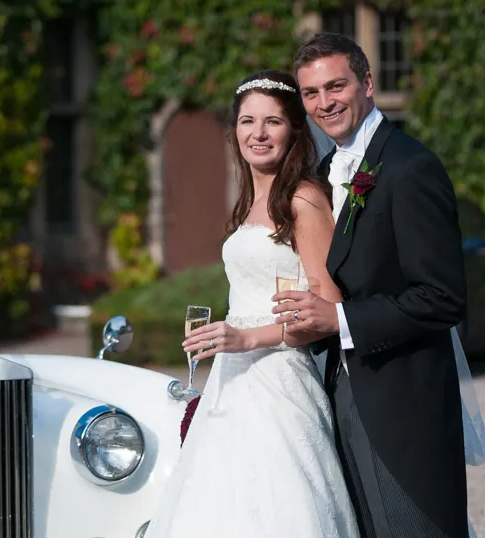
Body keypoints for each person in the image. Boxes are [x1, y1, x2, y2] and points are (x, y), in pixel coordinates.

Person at [270, 32, 473, 537]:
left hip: (405, 404)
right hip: (341, 391)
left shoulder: (410, 167)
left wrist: (339, 320)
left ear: (367, 83)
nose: (323, 104)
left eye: (335, 87)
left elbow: (442, 297)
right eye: (311, 94)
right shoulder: (320, 172)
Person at [144, 70, 360, 538]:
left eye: (272, 122)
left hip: (279, 381)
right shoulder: (248, 201)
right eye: (247, 121)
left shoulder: (303, 199)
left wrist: (246, 336)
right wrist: (229, 338)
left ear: (294, 131)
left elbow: (329, 308)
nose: (257, 133)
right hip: (231, 380)